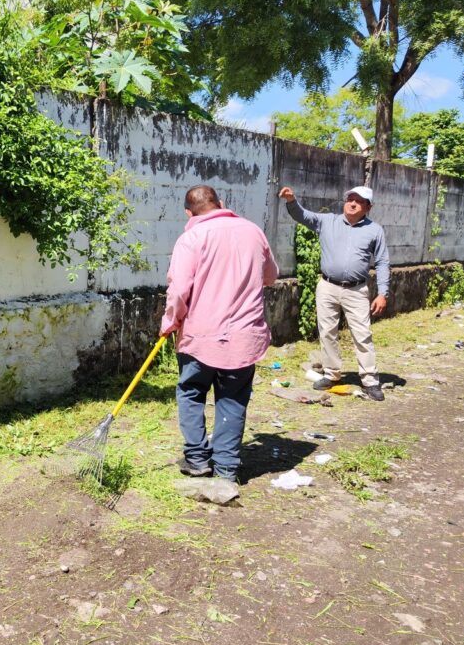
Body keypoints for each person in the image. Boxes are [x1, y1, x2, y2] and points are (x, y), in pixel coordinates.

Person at [161, 185, 279, 481]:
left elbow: (179, 290)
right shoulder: (254, 231)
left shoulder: (191, 237)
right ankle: (226, 468)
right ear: (221, 203)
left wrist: (170, 321)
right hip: (244, 337)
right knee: (233, 398)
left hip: (199, 337)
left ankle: (197, 459)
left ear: (188, 213)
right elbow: (271, 277)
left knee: (191, 393)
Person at [278, 185, 390, 401]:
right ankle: (332, 374)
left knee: (362, 335)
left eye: (359, 201)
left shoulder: (374, 230)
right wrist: (291, 200)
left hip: (356, 289)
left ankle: (369, 380)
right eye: (350, 199)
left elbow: (383, 262)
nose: (353, 203)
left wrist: (382, 293)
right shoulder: (327, 221)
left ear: (368, 207)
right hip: (328, 287)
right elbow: (302, 215)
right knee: (327, 331)